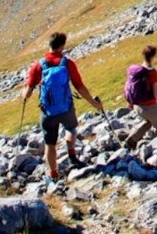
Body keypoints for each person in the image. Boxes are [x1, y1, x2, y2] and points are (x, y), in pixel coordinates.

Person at [23, 32, 103, 182]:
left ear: (49, 45)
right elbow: (80, 88)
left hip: (48, 112)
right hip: (66, 108)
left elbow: (27, 93)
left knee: (50, 144)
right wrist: (94, 103)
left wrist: (24, 93)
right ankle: (72, 155)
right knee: (71, 129)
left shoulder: (38, 65)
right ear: (62, 46)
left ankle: (53, 174)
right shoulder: (67, 63)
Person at [124, 44, 157, 152]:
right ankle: (148, 146)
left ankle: (131, 141)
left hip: (137, 106)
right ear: (153, 56)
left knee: (149, 122)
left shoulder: (135, 70)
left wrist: (130, 102)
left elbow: (130, 86)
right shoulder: (151, 72)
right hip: (150, 107)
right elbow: (156, 93)